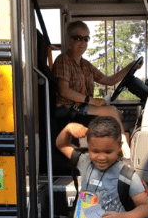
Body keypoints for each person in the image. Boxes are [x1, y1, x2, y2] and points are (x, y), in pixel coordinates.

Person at [53, 20, 141, 154]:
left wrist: (129, 67)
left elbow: (109, 80)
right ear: (70, 40)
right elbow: (64, 90)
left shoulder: (85, 65)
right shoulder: (63, 60)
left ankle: (108, 151)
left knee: (118, 113)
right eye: (78, 38)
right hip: (68, 110)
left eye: (86, 39)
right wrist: (91, 100)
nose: (83, 43)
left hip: (81, 107)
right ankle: (125, 153)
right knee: (111, 111)